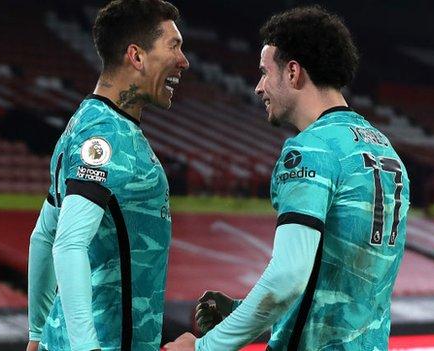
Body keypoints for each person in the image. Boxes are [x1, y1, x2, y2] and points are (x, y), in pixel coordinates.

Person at [164, 5, 409, 351]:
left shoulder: (311, 150)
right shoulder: (386, 151)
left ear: (293, 73)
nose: (258, 87)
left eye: (265, 72)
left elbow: (287, 278)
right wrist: (237, 312)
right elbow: (340, 285)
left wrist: (205, 347)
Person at [26, 0, 189, 350]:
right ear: (137, 56)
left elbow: (43, 235)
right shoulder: (106, 135)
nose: (183, 60)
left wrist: (37, 334)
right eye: (174, 46)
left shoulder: (84, 123)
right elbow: (67, 244)